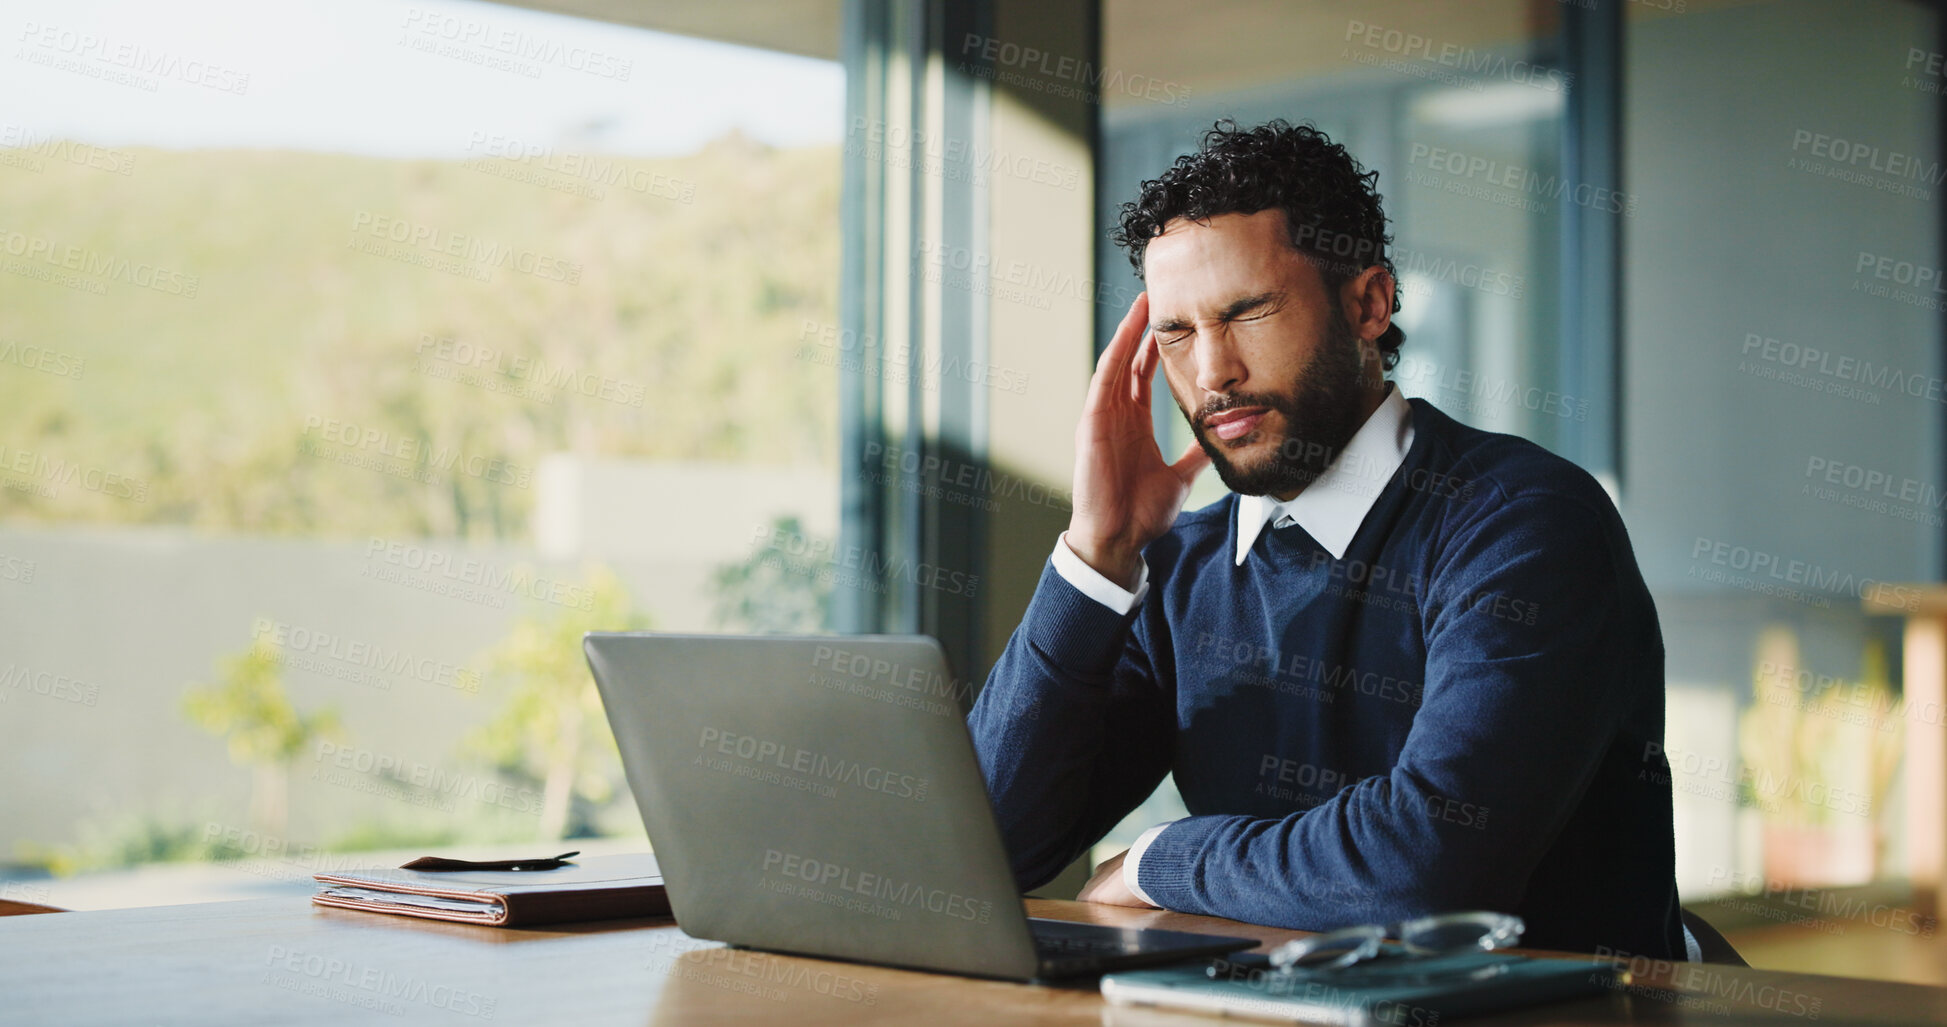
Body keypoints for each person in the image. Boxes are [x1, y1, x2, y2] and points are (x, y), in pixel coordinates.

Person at [966, 118, 1684, 959]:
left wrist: (1164, 857)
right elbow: (987, 849)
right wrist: (1095, 556)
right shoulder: (1180, 566)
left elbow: (1424, 867)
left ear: (1368, 304)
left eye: (1247, 312)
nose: (1210, 372)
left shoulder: (1524, 524)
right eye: (1177, 333)